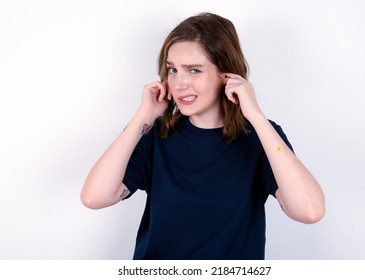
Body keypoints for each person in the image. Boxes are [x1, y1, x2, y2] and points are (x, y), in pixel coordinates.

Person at [81, 12, 325, 260]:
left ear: (226, 75)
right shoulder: (155, 133)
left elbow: (310, 211)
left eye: (194, 70)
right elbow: (94, 197)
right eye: (172, 70)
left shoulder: (260, 136)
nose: (179, 83)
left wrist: (256, 117)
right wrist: (143, 116)